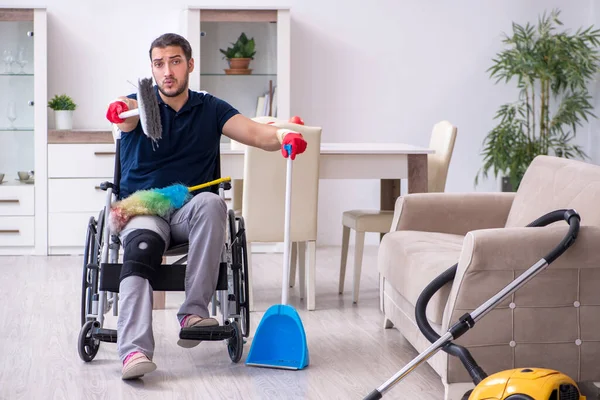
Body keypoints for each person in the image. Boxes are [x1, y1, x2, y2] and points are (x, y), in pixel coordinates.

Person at [105, 32, 307, 380]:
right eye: (159, 63)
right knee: (141, 248)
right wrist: (119, 111)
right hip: (144, 209)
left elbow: (255, 133)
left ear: (190, 64)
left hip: (189, 211)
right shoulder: (140, 104)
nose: (167, 71)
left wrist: (283, 137)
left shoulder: (210, 108)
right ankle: (134, 351)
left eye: (175, 61)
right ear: (152, 69)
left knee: (213, 203)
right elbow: (125, 117)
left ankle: (193, 313)